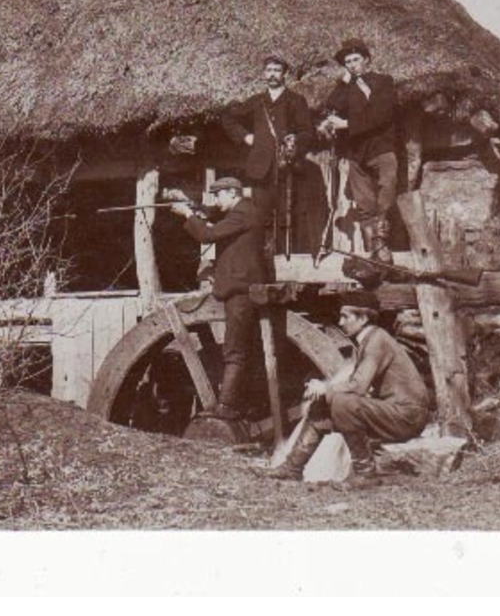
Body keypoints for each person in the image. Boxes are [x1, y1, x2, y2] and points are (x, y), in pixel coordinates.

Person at [266, 290, 431, 484]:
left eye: (346, 316)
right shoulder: (368, 340)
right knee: (323, 407)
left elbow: (358, 387)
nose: (341, 321)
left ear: (362, 319)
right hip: (396, 412)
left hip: (407, 416)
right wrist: (326, 391)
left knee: (344, 403)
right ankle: (292, 468)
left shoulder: (377, 340)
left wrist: (325, 388)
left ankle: (365, 474)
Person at [169, 177, 270, 423]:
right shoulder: (245, 212)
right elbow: (215, 223)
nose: (215, 201)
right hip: (242, 289)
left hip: (240, 291)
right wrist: (193, 209)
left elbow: (208, 235)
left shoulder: (243, 213)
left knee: (235, 351)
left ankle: (226, 407)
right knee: (243, 349)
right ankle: (242, 406)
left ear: (233, 193)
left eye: (219, 195)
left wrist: (187, 215)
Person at [221, 54, 314, 257]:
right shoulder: (256, 102)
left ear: (285, 74)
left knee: (287, 216)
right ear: (264, 74)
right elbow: (228, 117)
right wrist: (245, 137)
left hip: (286, 169)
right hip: (259, 170)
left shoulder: (296, 101)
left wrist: (294, 140)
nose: (272, 75)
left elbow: (308, 132)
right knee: (259, 216)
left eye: (277, 71)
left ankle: (286, 259)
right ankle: (260, 261)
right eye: (269, 70)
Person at [318, 37, 400, 258]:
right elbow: (331, 107)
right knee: (364, 203)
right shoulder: (346, 88)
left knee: (387, 190)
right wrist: (343, 84)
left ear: (367, 60)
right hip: (356, 152)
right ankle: (373, 251)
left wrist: (347, 124)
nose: (352, 65)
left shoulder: (384, 82)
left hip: (381, 147)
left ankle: (382, 243)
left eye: (356, 59)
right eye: (348, 62)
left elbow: (381, 115)